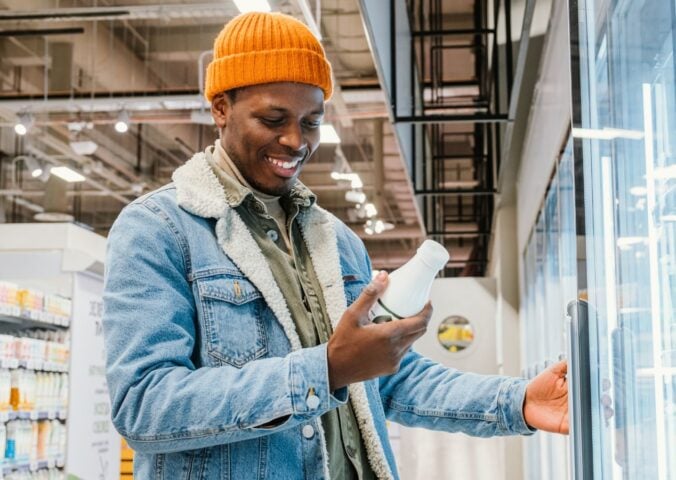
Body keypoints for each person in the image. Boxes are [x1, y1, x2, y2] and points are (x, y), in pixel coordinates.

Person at [102, 11, 568, 480]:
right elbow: (144, 404)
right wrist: (323, 371)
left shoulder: (336, 241)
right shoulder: (158, 230)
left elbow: (385, 379)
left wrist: (520, 401)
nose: (295, 141)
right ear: (220, 108)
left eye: (311, 121)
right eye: (273, 118)